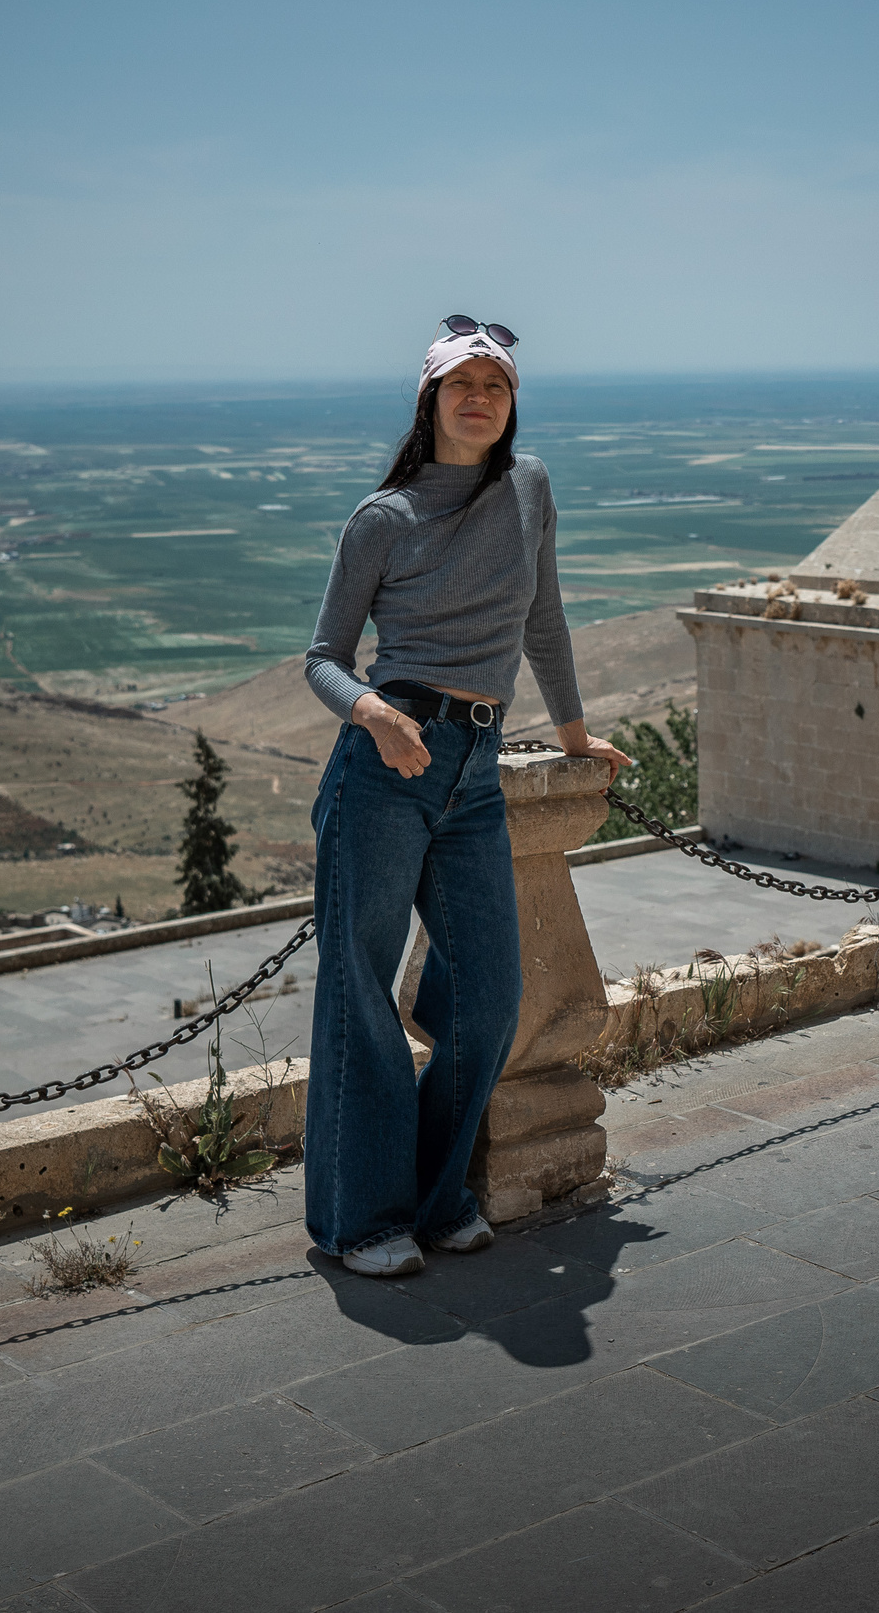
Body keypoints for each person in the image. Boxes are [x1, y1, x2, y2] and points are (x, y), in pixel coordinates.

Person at [300, 315, 630, 1277]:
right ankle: (363, 1222)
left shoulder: (529, 489)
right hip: (386, 768)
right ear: (431, 401)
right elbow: (321, 658)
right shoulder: (383, 519)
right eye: (460, 385)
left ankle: (440, 1200)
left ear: (512, 402)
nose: (479, 398)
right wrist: (373, 714)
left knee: (488, 998)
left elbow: (545, 619)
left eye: (495, 384)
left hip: (478, 773)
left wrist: (575, 739)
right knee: (361, 996)